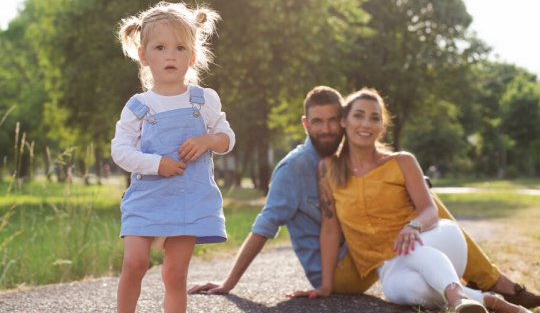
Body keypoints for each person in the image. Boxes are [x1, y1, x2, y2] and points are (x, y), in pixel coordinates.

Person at [188, 86, 540, 309]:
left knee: (421, 204)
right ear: (305, 124)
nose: (326, 128)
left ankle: (477, 296)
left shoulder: (365, 159)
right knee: (420, 216)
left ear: (341, 122)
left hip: (381, 252)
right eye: (317, 122)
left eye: (332, 121)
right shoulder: (299, 168)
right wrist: (229, 283)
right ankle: (495, 288)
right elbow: (265, 227)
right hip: (346, 266)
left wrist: (412, 207)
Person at [289, 88, 531, 313]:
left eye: (374, 118)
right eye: (358, 116)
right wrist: (325, 287)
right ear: (344, 121)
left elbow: (429, 210)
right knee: (403, 291)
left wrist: (413, 226)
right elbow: (330, 229)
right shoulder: (327, 170)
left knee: (410, 248)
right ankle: (489, 301)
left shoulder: (402, 161)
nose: (366, 124)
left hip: (439, 240)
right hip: (393, 266)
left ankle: (456, 296)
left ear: (382, 126)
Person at [112, 1, 235, 313]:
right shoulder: (139, 106)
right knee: (135, 263)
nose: (170, 55)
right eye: (160, 47)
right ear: (143, 54)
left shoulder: (203, 100)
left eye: (180, 48)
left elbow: (227, 139)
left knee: (175, 274)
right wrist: (157, 164)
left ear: (191, 57)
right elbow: (120, 151)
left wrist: (208, 139)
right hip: (147, 198)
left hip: (188, 198)